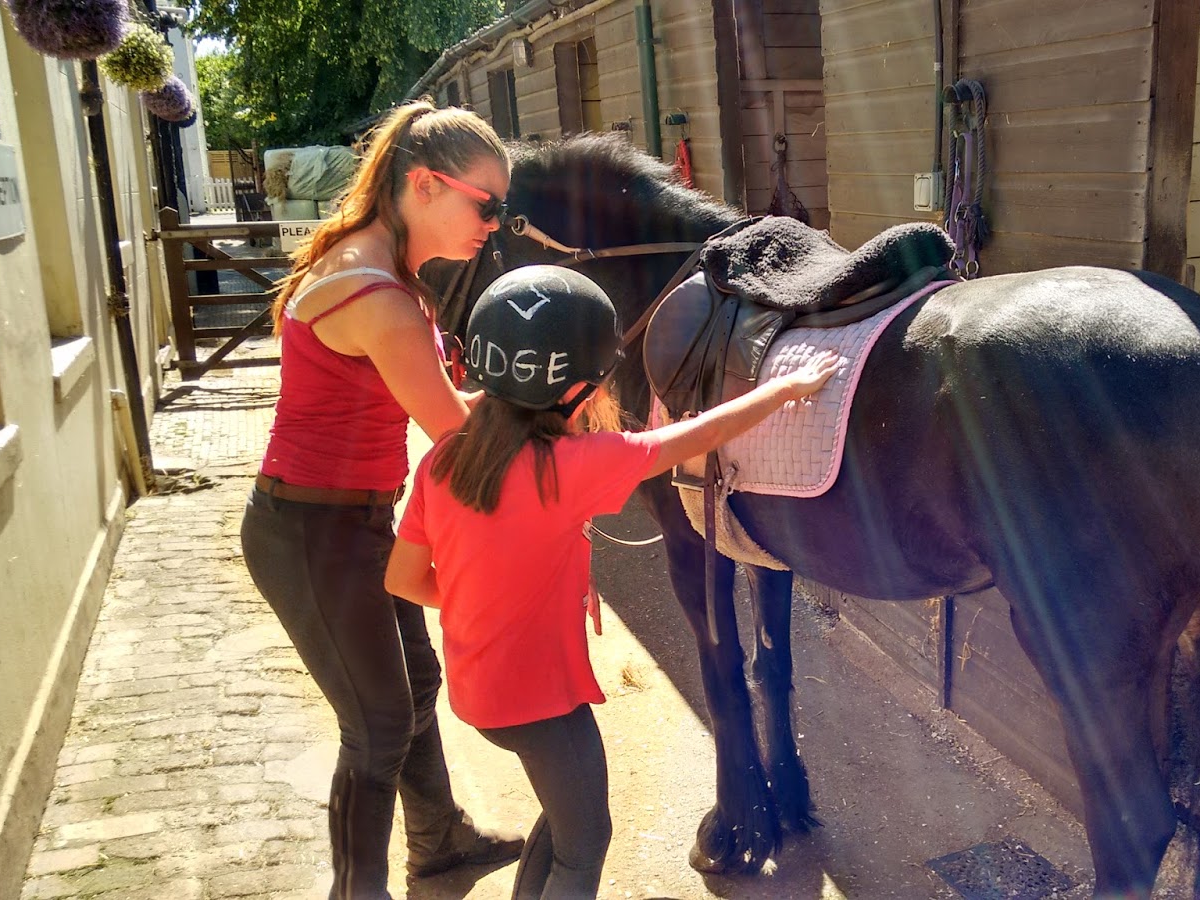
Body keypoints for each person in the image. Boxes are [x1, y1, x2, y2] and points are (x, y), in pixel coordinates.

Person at [384, 265, 841, 898]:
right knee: (585, 842)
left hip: (481, 693)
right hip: (542, 704)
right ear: (573, 391)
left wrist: (508, 592)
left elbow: (405, 578)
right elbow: (696, 435)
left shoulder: (444, 458)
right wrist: (785, 388)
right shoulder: (574, 465)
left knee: (561, 817)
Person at [239, 99, 523, 899]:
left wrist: (535, 396)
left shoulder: (386, 271)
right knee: (376, 726)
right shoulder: (381, 297)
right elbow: (454, 436)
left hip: (352, 520)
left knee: (413, 685)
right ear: (427, 186)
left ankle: (438, 842)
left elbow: (441, 404)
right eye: (487, 204)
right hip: (311, 532)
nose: (496, 224)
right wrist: (563, 415)